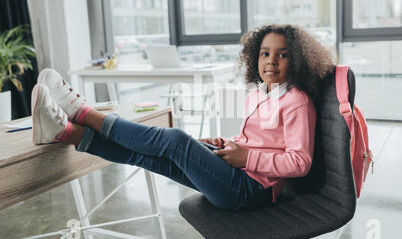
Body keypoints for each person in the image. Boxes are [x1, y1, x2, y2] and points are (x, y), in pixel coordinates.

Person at [31, 24, 336, 212]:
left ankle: (85, 112)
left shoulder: (297, 102)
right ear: (255, 57)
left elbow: (300, 162)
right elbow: (256, 141)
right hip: (236, 175)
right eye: (265, 53)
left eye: (282, 54)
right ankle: (66, 132)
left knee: (176, 140)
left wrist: (247, 158)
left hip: (250, 191)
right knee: (153, 157)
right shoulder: (258, 93)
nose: (271, 60)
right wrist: (226, 144)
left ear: (296, 60)